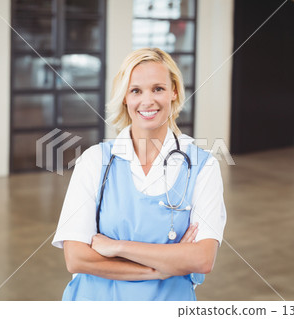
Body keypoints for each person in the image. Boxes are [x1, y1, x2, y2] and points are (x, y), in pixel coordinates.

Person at [51, 47, 227, 301]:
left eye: (158, 88)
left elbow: (202, 259)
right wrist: (160, 269)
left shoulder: (203, 167)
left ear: (174, 92)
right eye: (136, 91)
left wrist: (117, 247)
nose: (147, 101)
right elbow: (76, 258)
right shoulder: (95, 161)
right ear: (125, 97)